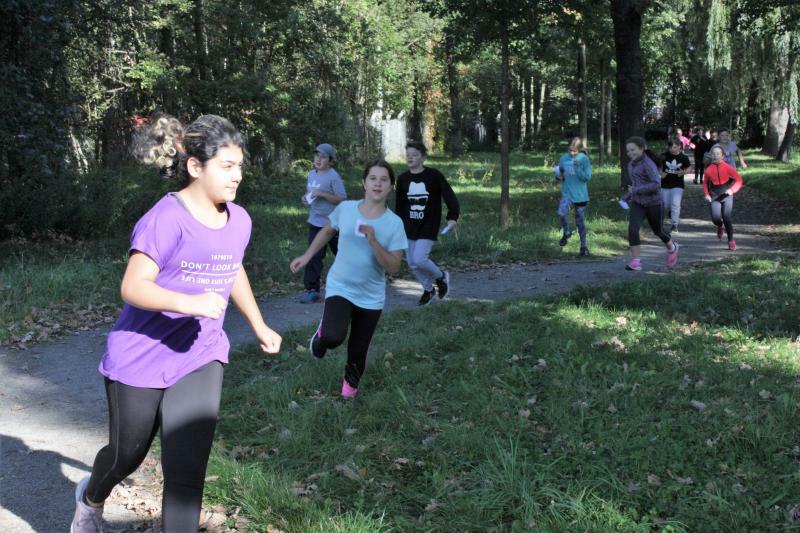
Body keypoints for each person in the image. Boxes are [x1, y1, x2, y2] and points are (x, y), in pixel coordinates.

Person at [70, 115, 282, 533]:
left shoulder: (239, 219)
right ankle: (91, 498)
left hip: (200, 354)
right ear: (195, 167)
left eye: (240, 165)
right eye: (227, 165)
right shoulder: (166, 218)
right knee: (125, 455)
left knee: (186, 471)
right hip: (141, 355)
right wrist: (186, 302)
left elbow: (232, 267)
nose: (237, 175)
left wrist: (258, 323)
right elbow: (132, 286)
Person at [291, 160, 407, 398]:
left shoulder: (394, 224)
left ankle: (348, 394)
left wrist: (374, 241)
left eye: (384, 179)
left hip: (371, 296)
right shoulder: (346, 209)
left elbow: (394, 267)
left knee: (358, 350)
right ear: (364, 182)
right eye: (373, 178)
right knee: (334, 337)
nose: (378, 183)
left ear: (390, 187)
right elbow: (326, 230)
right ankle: (322, 337)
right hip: (340, 285)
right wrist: (307, 255)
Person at [395, 141, 460, 306]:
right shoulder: (402, 179)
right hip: (408, 227)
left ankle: (441, 277)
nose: (410, 158)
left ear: (423, 158)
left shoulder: (434, 176)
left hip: (428, 225)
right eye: (408, 155)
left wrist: (453, 217)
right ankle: (428, 289)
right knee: (411, 262)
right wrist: (396, 226)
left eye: (415, 155)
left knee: (419, 259)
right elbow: (400, 206)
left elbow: (449, 196)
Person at [621, 136, 680, 271]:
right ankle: (636, 261)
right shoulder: (631, 164)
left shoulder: (648, 164)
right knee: (633, 228)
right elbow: (635, 185)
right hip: (638, 202)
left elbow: (656, 184)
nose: (630, 153)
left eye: (633, 150)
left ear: (642, 149)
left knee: (658, 231)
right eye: (628, 151)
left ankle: (672, 247)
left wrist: (636, 190)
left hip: (654, 202)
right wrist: (626, 197)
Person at [300, 143, 347, 303]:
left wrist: (323, 194)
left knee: (342, 255)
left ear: (330, 161)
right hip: (315, 222)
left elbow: (342, 198)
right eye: (316, 156)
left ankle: (351, 284)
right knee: (314, 256)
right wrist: (305, 199)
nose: (318, 159)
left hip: (333, 224)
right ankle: (312, 290)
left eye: (323, 157)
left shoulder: (333, 176)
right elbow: (310, 194)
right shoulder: (311, 174)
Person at [555, 136, 592, 256]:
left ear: (579, 150)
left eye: (575, 151)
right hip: (567, 194)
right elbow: (560, 172)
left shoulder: (584, 159)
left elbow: (587, 177)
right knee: (561, 213)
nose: (572, 153)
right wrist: (558, 177)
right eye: (570, 150)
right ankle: (567, 232)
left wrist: (578, 168)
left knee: (579, 221)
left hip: (581, 196)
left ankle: (583, 247)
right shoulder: (563, 159)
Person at [704, 145, 744, 250]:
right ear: (711, 156)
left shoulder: (728, 167)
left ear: (723, 156)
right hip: (714, 196)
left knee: (727, 218)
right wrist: (706, 194)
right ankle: (720, 226)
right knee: (715, 218)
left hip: (727, 195)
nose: (715, 156)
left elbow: (739, 180)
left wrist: (731, 190)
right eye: (714, 154)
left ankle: (731, 240)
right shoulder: (708, 169)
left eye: (718, 154)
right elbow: (705, 184)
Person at [660, 138, 693, 232]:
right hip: (665, 184)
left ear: (679, 147)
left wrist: (684, 172)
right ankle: (671, 212)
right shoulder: (664, 156)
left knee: (676, 204)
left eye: (674, 147)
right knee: (666, 204)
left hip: (678, 185)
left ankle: (674, 224)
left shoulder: (683, 157)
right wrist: (661, 173)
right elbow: (657, 165)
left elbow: (690, 168)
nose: (672, 149)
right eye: (670, 147)